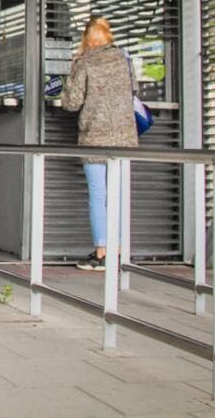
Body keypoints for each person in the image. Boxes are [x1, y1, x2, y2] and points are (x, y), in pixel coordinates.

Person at [63, 16, 138, 271]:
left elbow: (72, 103)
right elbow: (134, 90)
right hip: (125, 137)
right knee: (119, 195)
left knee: (99, 195)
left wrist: (66, 81)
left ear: (87, 38)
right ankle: (119, 252)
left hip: (94, 136)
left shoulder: (85, 61)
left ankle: (102, 253)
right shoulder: (125, 60)